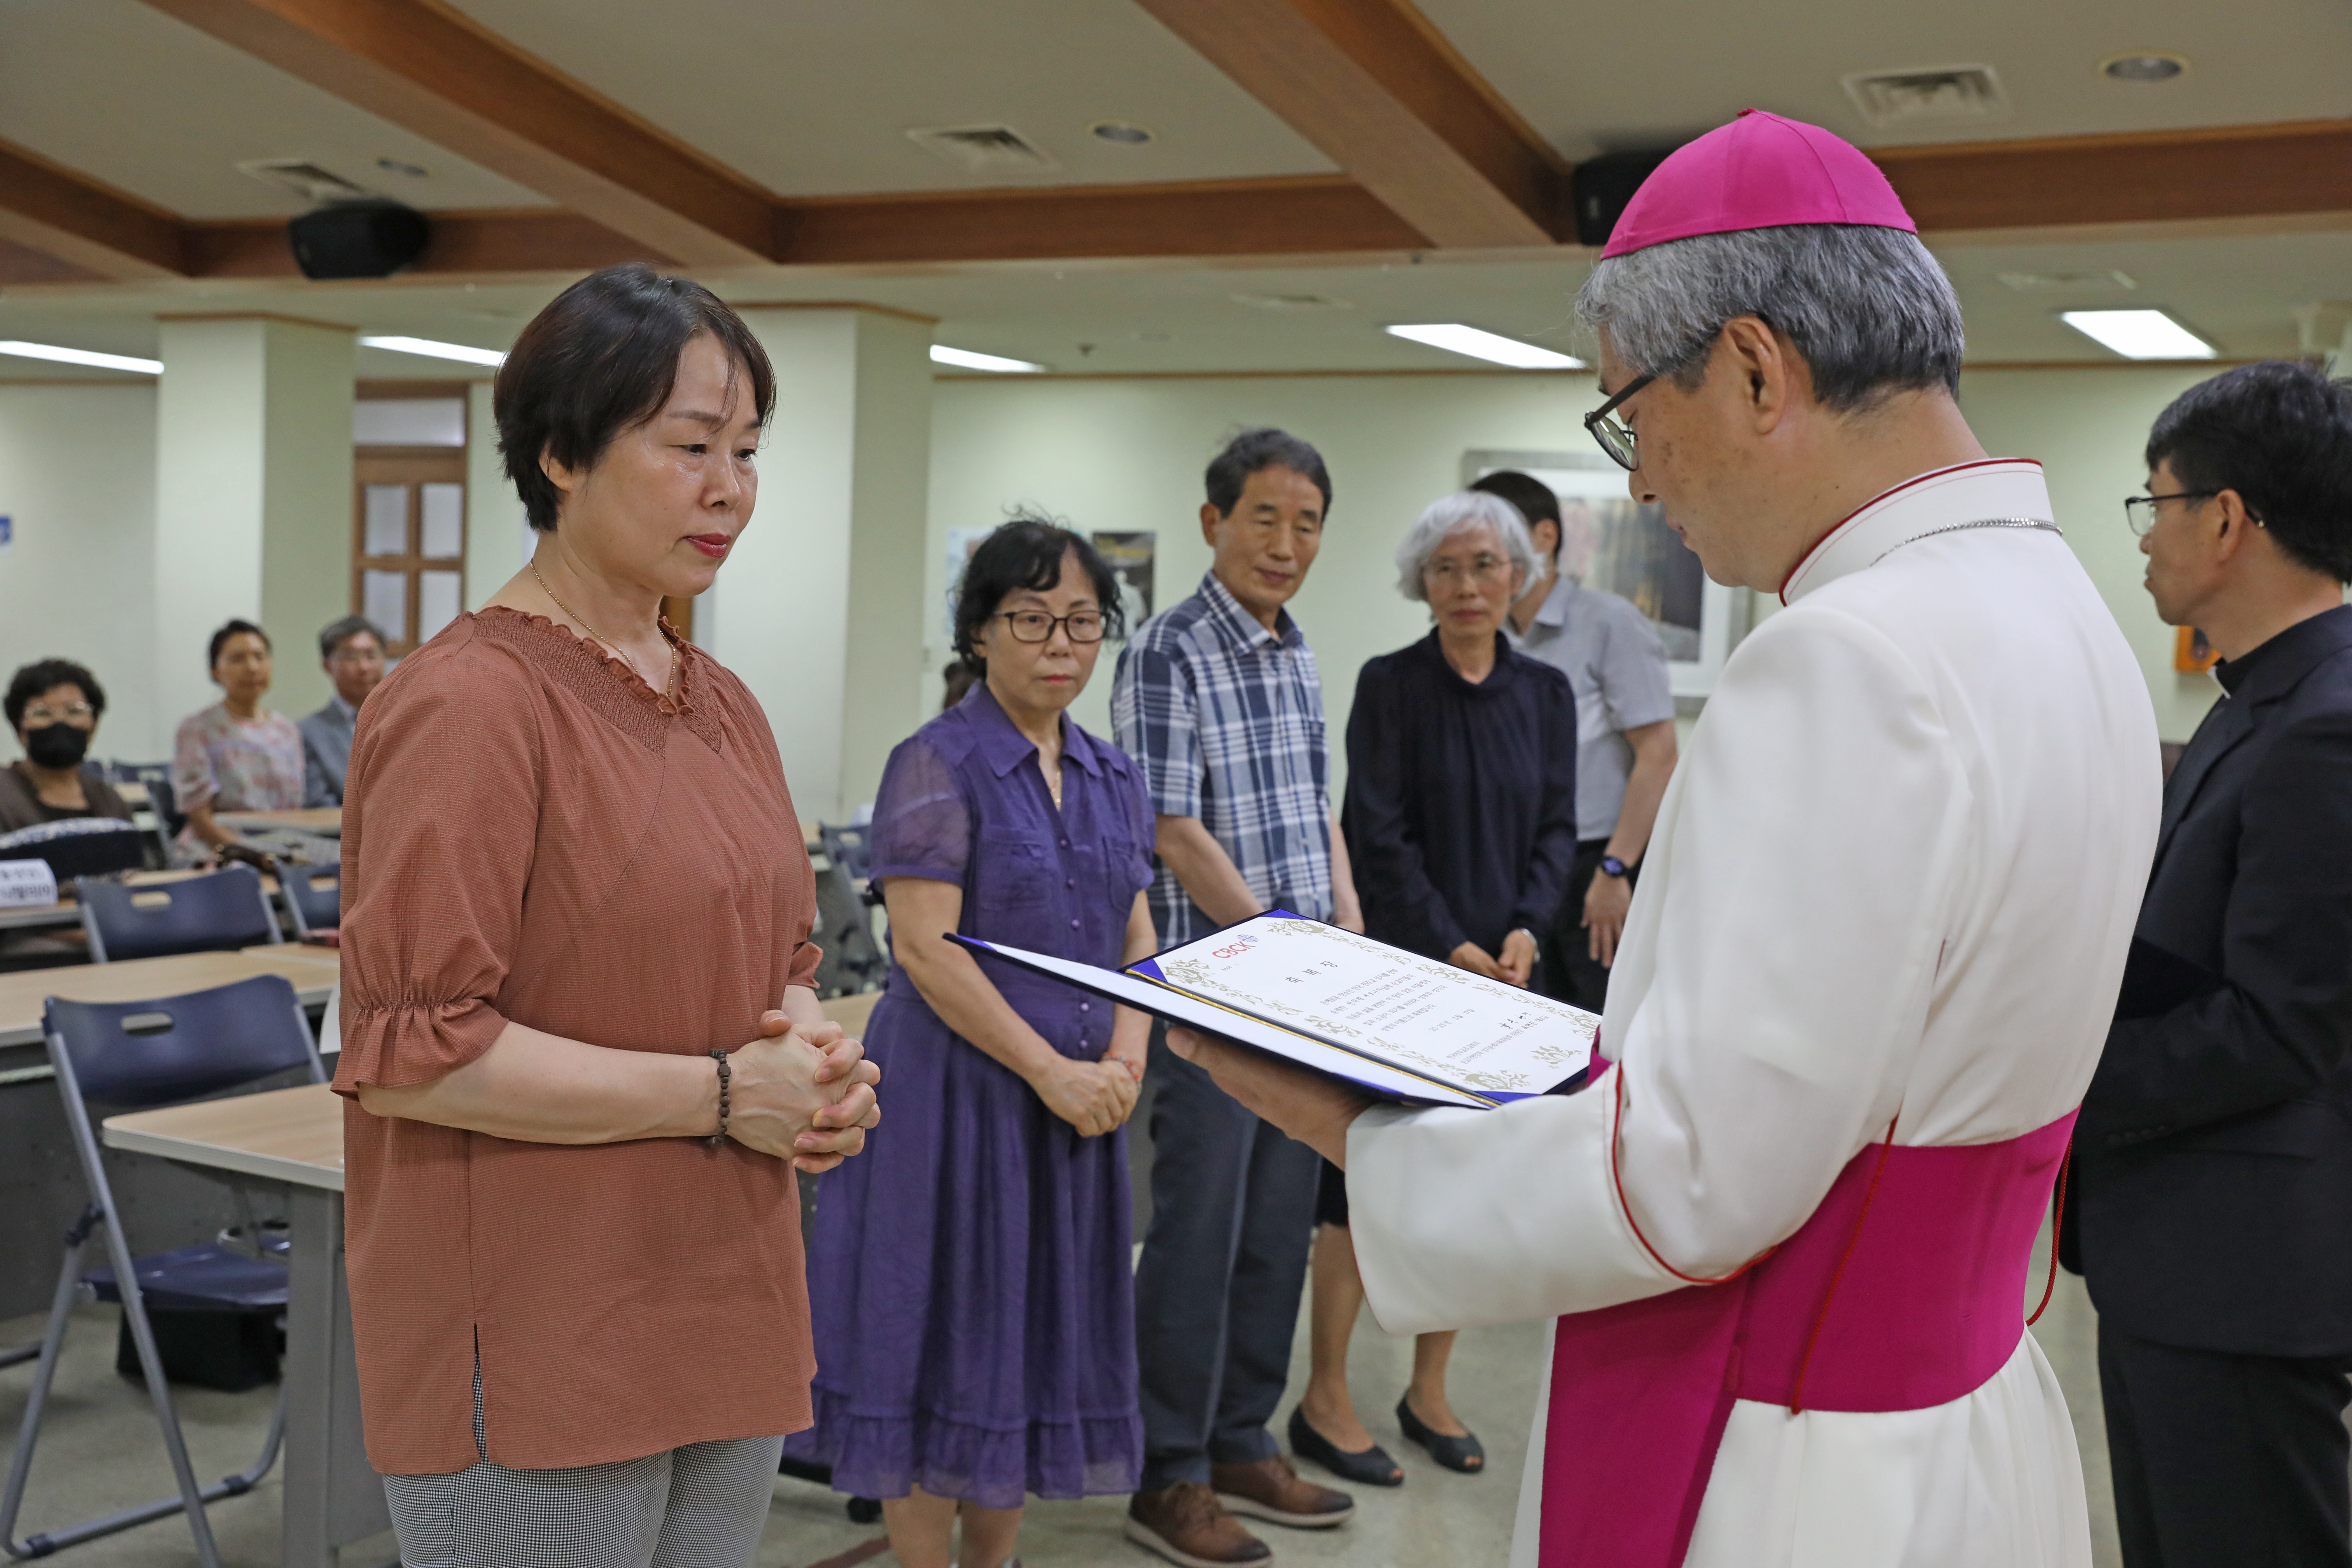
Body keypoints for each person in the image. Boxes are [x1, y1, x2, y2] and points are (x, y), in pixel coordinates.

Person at [1160, 110, 2160, 1568]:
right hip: (1965, 1411)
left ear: (1756, 368)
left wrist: (1359, 1130)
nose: (1638, 480)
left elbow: (1693, 1177)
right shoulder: (2065, 615)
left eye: (1633, 416)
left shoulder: (1847, 659)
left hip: (1801, 1455)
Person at [331, 262, 880, 1568]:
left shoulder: (721, 700)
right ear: (563, 451)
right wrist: (715, 1093)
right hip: (540, 1316)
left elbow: (782, 963)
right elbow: (415, 1053)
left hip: (723, 1285)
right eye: (688, 445)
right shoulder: (467, 705)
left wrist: (806, 1067)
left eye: (745, 451)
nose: (727, 487)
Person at [792, 521, 1155, 1568]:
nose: (1059, 643)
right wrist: (1051, 1070)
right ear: (979, 631)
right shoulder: (934, 761)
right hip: (955, 1104)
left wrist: (1122, 1064)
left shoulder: (1109, 771)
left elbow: (1138, 938)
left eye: (1081, 622)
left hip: (1076, 1108)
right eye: (1030, 619)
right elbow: (925, 945)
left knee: (1028, 1344)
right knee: (939, 1339)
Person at [2073, 361, 2352, 1568]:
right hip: (2179, 1248)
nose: (2143, 543)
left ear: (2227, 519)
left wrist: (2057, 1077)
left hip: (2243, 1267)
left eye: (2155, 505)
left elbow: (2285, 1026)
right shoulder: (2258, 701)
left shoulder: (2328, 719)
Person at [1290, 491, 1579, 1490]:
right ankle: (1325, 1394)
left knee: (1466, 1187)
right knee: (1360, 1184)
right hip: (1408, 978)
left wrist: (1524, 932)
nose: (1467, 586)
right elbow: (1377, 834)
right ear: (1424, 582)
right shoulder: (1391, 686)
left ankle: (1428, 1390)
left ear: (1517, 578)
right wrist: (1451, 943)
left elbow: (1555, 831)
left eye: (1486, 567)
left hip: (1506, 979)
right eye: (1448, 569)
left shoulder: (1545, 697)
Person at [1113, 427, 1365, 1567]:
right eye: (1264, 517)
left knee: (1278, 1230)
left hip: (1307, 991)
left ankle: (1240, 1442)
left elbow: (1316, 806)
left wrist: (1347, 925)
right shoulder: (1169, 650)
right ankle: (1165, 1473)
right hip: (1217, 999)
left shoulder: (1298, 650)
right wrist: (1273, 944)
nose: (1286, 543)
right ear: (1214, 523)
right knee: (1198, 1238)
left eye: (1307, 523)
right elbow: (1170, 825)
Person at [1475, 469, 1679, 1001]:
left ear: (1545, 538)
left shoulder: (1609, 622)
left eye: (1495, 538)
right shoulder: (1485, 636)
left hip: (1598, 864)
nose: (1483, 558)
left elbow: (1658, 755)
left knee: (1599, 1025)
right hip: (1519, 867)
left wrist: (1616, 870)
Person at [171, 620, 306, 860]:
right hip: (218, 849)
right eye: (238, 659)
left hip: (280, 846)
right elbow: (200, 817)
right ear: (215, 671)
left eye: (260, 657)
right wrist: (255, 856)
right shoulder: (198, 729)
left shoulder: (287, 731)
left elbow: (295, 811)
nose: (252, 667)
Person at [0, 659, 133, 831]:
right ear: (18, 727)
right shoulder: (5, 796)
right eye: (43, 713)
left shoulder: (110, 801)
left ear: (93, 725)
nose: (60, 722)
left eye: (74, 711)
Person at [300, 614, 388, 806]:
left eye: (372, 655)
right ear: (327, 666)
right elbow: (318, 804)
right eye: (351, 657)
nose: (364, 667)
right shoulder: (307, 732)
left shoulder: (404, 720)